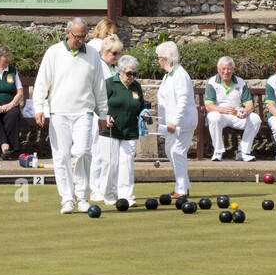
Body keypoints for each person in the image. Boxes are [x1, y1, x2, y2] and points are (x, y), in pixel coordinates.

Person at [34, 17, 109, 214]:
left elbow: (99, 86)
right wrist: (39, 107)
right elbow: (42, 82)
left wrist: (103, 114)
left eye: (84, 36)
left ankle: (82, 196)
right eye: (77, 36)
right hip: (59, 112)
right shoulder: (53, 53)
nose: (80, 40)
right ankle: (67, 198)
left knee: (83, 152)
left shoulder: (93, 54)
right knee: (61, 157)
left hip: (84, 112)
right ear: (68, 33)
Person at [91, 54, 146, 206]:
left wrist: (144, 114)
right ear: (120, 72)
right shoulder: (109, 84)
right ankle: (108, 193)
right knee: (109, 163)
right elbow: (96, 104)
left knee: (126, 164)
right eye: (129, 73)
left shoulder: (136, 87)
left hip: (130, 131)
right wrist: (105, 115)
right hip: (110, 130)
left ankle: (126, 196)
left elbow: (141, 106)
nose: (132, 77)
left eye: (135, 74)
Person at [156, 40, 197, 199]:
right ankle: (184, 185)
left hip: (183, 123)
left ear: (166, 58)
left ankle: (181, 189)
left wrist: (175, 121)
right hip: (170, 123)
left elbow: (183, 101)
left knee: (177, 152)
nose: (158, 60)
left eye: (159, 57)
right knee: (169, 151)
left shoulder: (180, 75)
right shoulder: (169, 75)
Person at [204, 56, 260, 161]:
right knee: (213, 116)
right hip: (220, 115)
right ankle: (218, 151)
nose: (226, 71)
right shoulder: (212, 82)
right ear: (218, 69)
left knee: (255, 119)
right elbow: (208, 106)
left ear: (233, 70)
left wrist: (246, 111)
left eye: (229, 69)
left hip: (236, 114)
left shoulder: (240, 82)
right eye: (223, 69)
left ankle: (243, 152)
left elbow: (249, 104)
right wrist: (222, 110)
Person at [88, 35, 124, 197]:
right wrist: (103, 114)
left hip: (114, 116)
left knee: (112, 155)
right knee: (97, 153)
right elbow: (95, 94)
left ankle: (109, 187)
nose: (117, 57)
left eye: (119, 53)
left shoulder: (115, 69)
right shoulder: (97, 67)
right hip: (99, 115)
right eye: (115, 53)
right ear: (105, 51)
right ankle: (95, 188)